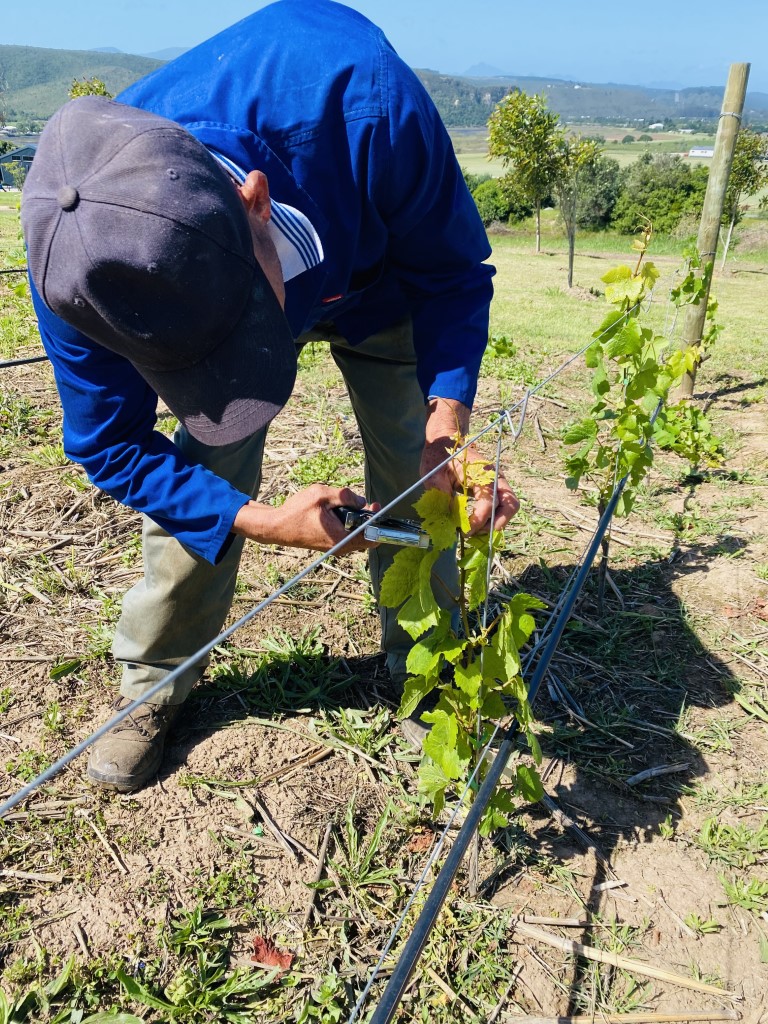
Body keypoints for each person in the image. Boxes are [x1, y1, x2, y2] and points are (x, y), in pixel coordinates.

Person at [21, 0, 518, 793]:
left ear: (255, 199)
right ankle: (153, 685)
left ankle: (430, 650)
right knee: (204, 479)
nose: (241, 366)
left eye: (241, 330)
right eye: (201, 359)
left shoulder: (368, 106)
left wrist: (447, 422)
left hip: (380, 289)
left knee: (420, 474)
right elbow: (109, 444)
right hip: (260, 265)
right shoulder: (81, 260)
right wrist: (258, 521)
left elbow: (453, 275)